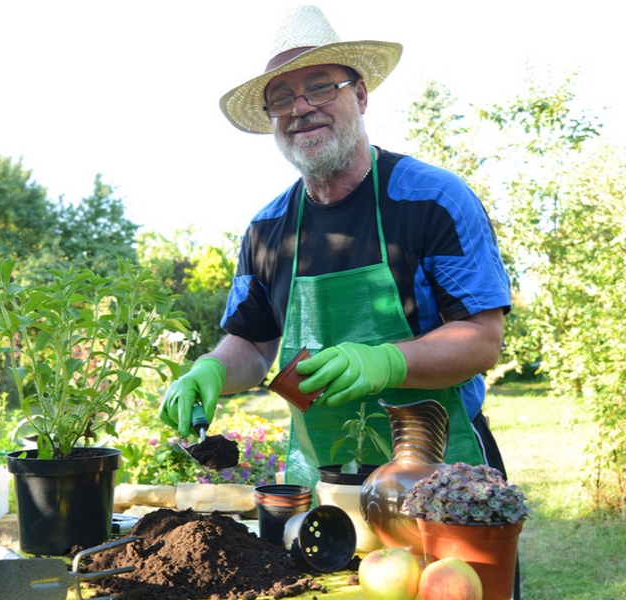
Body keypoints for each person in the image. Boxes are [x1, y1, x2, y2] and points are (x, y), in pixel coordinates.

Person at [161, 0, 512, 547]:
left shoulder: (433, 200)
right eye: (281, 97)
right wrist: (208, 370)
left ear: (361, 94)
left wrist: (386, 359)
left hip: (437, 485)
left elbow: (482, 339)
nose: (300, 108)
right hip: (320, 499)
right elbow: (252, 346)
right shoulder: (267, 228)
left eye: (320, 86)